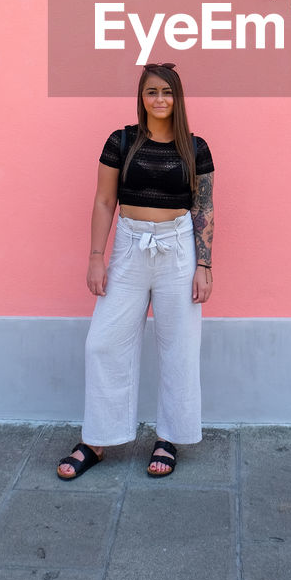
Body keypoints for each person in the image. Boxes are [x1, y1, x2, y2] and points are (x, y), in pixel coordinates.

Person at [57, 61, 214, 480]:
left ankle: (169, 438)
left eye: (167, 92)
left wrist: (204, 264)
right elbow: (104, 200)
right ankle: (97, 439)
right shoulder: (121, 141)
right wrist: (96, 255)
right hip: (129, 247)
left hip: (178, 249)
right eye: (152, 92)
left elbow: (203, 208)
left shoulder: (195, 148)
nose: (159, 99)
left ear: (177, 98)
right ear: (141, 98)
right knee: (103, 343)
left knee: (179, 346)